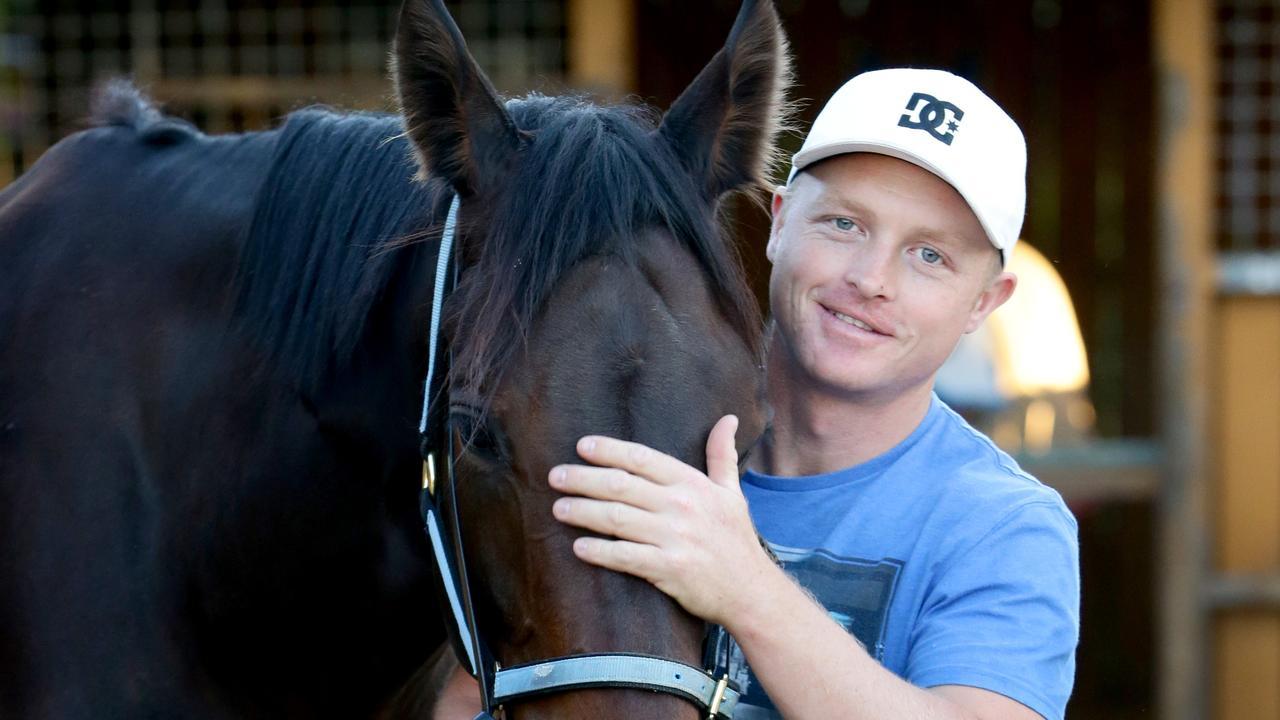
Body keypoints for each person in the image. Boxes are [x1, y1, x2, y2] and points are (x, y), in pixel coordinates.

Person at [440, 68, 1080, 720]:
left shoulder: (1002, 527)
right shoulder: (617, 442)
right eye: (844, 224)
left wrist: (744, 587)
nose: (871, 279)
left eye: (930, 256)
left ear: (984, 302)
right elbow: (470, 695)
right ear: (778, 222)